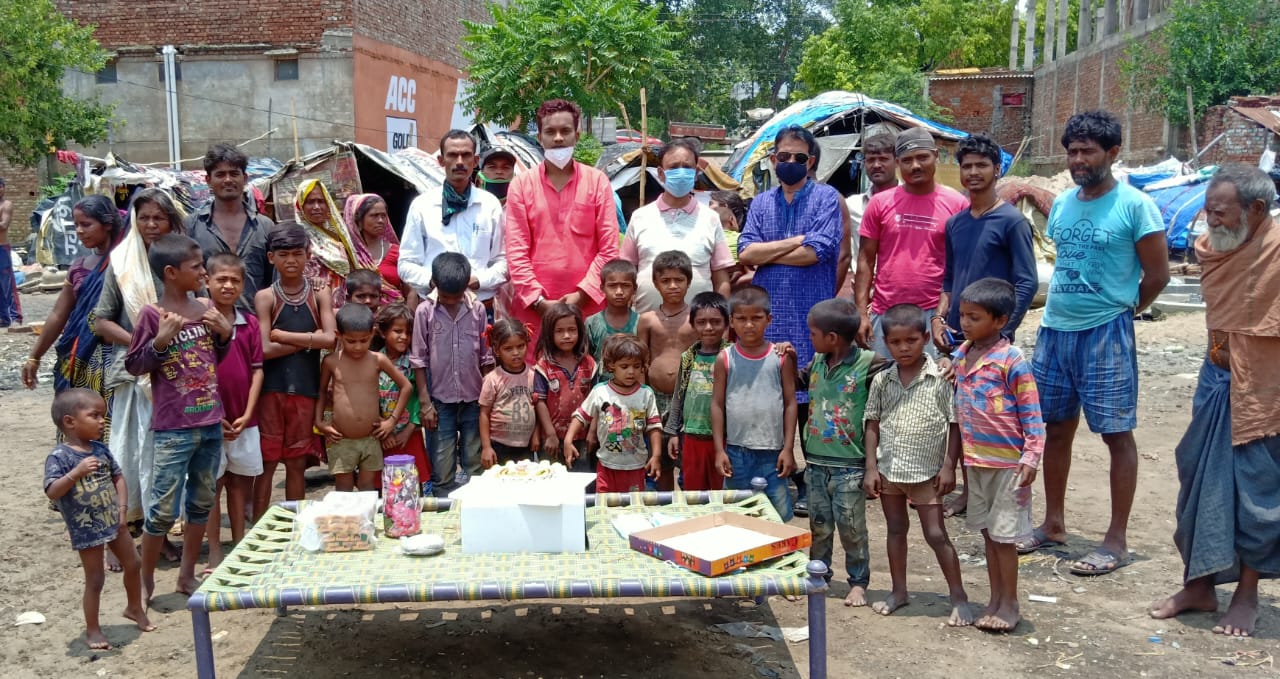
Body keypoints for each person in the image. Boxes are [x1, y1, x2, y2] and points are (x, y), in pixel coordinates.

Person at [1018, 111, 1171, 578]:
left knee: (1115, 433)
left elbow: (1159, 275)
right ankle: (1054, 523)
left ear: (1113, 153)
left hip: (1106, 331)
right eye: (1072, 151)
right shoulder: (1063, 204)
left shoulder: (1136, 206)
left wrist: (1125, 309)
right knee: (1054, 429)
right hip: (1055, 330)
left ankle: (1116, 539)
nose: (1078, 159)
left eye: (1088, 151)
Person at [1150, 164, 1280, 637]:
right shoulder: (1216, 250)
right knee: (1199, 480)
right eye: (1208, 211)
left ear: (1257, 210)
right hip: (1215, 379)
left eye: (1220, 213)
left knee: (1257, 494)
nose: (1210, 222)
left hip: (1266, 392)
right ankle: (1199, 584)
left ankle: (1247, 595)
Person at [935, 133, 1038, 518]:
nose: (974, 172)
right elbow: (949, 277)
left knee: (996, 415)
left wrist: (1004, 331)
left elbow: (1026, 281)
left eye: (982, 165)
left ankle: (1001, 491)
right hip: (960, 335)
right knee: (962, 413)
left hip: (993, 335)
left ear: (998, 170)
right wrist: (938, 317)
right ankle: (967, 491)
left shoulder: (1012, 221)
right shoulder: (956, 223)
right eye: (967, 166)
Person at [123, 233, 232, 599]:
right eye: (196, 267)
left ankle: (186, 575)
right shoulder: (153, 316)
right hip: (173, 428)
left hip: (210, 423)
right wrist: (160, 341)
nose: (203, 272)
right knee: (162, 509)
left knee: (201, 503)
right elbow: (135, 365)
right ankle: (146, 580)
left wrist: (224, 335)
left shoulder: (205, 309)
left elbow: (214, 359)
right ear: (171, 273)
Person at [863, 303, 971, 626]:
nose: (903, 348)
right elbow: (872, 423)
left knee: (936, 534)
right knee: (895, 530)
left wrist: (950, 465)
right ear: (886, 342)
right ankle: (899, 590)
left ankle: (958, 596)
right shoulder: (883, 380)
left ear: (925, 338)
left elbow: (955, 423)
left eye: (910, 340)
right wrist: (871, 467)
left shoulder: (940, 377)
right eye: (895, 342)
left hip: (926, 473)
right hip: (891, 469)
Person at [92, 188, 186, 544]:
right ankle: (131, 532)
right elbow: (101, 321)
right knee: (135, 452)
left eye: (158, 217)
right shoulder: (122, 264)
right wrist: (143, 341)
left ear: (171, 220)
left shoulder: (183, 259)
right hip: (134, 374)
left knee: (168, 455)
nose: (150, 224)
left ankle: (162, 533)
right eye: (143, 217)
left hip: (177, 372)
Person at [951, 278, 1045, 632]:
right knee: (989, 536)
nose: (965, 323)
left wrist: (1031, 457)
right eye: (962, 315)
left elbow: (1032, 414)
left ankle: (1010, 603)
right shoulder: (962, 357)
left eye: (974, 317)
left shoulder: (1012, 361)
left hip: (1007, 466)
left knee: (1005, 539)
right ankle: (994, 598)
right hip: (975, 462)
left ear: (1000, 321)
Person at [505, 99, 620, 350]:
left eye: (565, 131)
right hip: (534, 314)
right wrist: (538, 301)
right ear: (540, 137)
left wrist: (581, 295)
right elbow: (516, 251)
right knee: (534, 384)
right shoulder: (522, 186)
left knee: (587, 380)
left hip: (588, 310)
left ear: (577, 135)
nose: (558, 138)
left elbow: (609, 249)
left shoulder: (597, 182)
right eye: (550, 132)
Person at [44, 389, 154, 650]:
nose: (102, 421)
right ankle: (92, 629)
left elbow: (118, 477)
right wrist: (76, 473)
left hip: (114, 521)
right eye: (94, 415)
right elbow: (51, 490)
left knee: (134, 563)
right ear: (70, 421)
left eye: (103, 416)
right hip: (86, 529)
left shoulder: (101, 449)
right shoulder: (60, 457)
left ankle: (134, 608)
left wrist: (123, 510)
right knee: (95, 579)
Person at [737, 125, 844, 393]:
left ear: (810, 162)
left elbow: (815, 253)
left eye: (798, 158)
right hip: (771, 318)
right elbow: (746, 252)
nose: (790, 162)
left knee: (814, 407)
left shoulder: (826, 197)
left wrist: (767, 254)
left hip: (812, 314)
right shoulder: (761, 203)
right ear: (773, 160)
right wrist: (797, 239)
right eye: (784, 157)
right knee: (770, 404)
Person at [799, 298, 888, 607]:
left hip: (851, 465)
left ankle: (858, 581)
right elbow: (797, 380)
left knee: (851, 528)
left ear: (832, 338)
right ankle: (819, 575)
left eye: (813, 333)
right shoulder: (817, 362)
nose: (810, 338)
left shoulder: (868, 363)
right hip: (816, 462)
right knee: (819, 526)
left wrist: (872, 466)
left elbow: (899, 370)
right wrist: (786, 356)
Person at [855, 128, 968, 357]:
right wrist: (861, 314)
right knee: (883, 385)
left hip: (934, 316)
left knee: (933, 387)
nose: (915, 165)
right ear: (898, 163)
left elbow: (961, 267)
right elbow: (866, 259)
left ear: (936, 156)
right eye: (907, 160)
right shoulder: (879, 203)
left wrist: (945, 315)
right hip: (886, 313)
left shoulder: (957, 205)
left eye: (922, 157)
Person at [23, 197, 122, 443]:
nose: (79, 231)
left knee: (112, 425)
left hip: (115, 357)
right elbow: (59, 314)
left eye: (86, 224)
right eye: (76, 225)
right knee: (78, 420)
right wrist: (34, 356)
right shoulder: (79, 267)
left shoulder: (126, 262)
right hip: (78, 359)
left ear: (107, 224)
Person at [254, 222, 336, 517]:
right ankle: (259, 528)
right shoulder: (266, 297)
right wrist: (309, 342)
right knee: (267, 464)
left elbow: (330, 338)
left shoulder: (318, 293)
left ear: (308, 255)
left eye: (298, 253)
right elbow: (263, 349)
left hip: (305, 388)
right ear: (271, 258)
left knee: (297, 463)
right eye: (284, 254)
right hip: (271, 390)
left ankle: (296, 526)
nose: (291, 260)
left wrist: (286, 337)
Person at [712, 285, 797, 521]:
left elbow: (790, 404)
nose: (749, 325)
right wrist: (720, 450)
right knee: (737, 513)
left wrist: (788, 449)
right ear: (731, 321)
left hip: (773, 452)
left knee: (777, 516)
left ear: (768, 319)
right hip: (736, 451)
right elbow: (717, 405)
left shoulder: (779, 357)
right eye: (741, 319)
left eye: (756, 318)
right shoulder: (725, 358)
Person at [411, 252, 493, 495]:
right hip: (439, 401)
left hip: (474, 399)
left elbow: (486, 357)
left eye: (456, 296)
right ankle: (444, 508)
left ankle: (473, 507)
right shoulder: (424, 312)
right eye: (446, 297)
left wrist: (489, 398)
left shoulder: (477, 309)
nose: (450, 301)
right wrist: (425, 403)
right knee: (442, 462)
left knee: (473, 461)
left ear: (467, 284)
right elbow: (419, 360)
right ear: (434, 284)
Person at [621, 138, 733, 313]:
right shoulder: (640, 217)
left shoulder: (710, 218)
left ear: (696, 173)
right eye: (673, 167)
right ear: (661, 173)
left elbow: (721, 280)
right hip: (647, 327)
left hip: (700, 329)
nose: (681, 172)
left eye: (687, 167)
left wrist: (723, 323)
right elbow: (625, 272)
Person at [203, 253, 264, 572]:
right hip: (209, 419)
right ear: (207, 281)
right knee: (213, 487)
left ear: (243, 285)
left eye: (235, 280)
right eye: (221, 279)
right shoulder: (198, 321)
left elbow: (257, 371)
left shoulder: (249, 322)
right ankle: (214, 551)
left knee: (241, 485)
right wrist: (215, 414)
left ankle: (240, 545)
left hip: (244, 418)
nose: (228, 285)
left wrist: (247, 413)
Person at [399, 130, 507, 307]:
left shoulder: (490, 205)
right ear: (441, 161)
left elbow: (502, 262)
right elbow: (406, 264)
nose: (459, 162)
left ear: (475, 161)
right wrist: (436, 282)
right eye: (452, 155)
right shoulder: (422, 205)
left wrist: (477, 280)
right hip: (434, 306)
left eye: (466, 155)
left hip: (479, 306)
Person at [315, 304, 412, 492]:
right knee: (343, 487)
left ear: (372, 333)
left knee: (368, 486)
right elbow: (321, 392)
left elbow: (406, 387)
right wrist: (319, 422)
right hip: (340, 438)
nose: (358, 347)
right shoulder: (331, 361)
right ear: (339, 335)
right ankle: (346, 522)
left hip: (371, 438)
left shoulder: (378, 360)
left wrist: (391, 422)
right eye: (351, 341)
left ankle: (367, 522)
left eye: (364, 340)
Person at [565, 334, 663, 493]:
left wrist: (656, 455)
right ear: (611, 366)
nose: (631, 372)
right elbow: (581, 416)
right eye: (624, 367)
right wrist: (568, 440)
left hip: (635, 467)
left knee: (633, 508)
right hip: (606, 466)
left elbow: (654, 426)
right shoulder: (600, 391)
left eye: (636, 366)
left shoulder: (646, 394)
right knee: (605, 507)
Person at [637, 250, 698, 490]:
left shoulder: (697, 317)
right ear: (655, 283)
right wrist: (642, 396)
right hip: (656, 399)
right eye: (665, 280)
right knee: (660, 458)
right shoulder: (647, 319)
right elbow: (641, 359)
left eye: (679, 280)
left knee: (686, 457)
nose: (673, 286)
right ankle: (665, 510)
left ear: (689, 282)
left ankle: (688, 513)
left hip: (688, 399)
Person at [187, 144, 274, 310]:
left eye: (234, 173)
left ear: (245, 178)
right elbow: (186, 279)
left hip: (254, 327)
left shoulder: (265, 227)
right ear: (208, 180)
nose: (228, 179)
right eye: (220, 174)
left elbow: (274, 281)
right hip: (207, 324)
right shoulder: (192, 225)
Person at [664, 292, 730, 491]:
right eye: (701, 322)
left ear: (727, 323)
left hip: (723, 437)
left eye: (715, 322)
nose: (708, 328)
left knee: (721, 490)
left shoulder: (731, 355)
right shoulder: (688, 357)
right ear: (693, 324)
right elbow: (678, 396)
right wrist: (673, 431)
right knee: (693, 492)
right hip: (692, 435)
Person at [533, 303, 597, 467]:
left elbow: (597, 400)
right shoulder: (544, 366)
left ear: (580, 331)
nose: (567, 335)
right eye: (559, 331)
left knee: (580, 482)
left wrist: (592, 431)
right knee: (552, 483)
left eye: (572, 330)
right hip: (552, 439)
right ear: (549, 334)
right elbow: (539, 401)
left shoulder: (589, 364)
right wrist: (550, 434)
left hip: (581, 437)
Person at [376, 302, 429, 492]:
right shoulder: (374, 361)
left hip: (409, 434)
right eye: (397, 331)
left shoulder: (413, 363)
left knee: (411, 484)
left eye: (408, 332)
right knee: (385, 486)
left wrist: (410, 428)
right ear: (383, 332)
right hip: (382, 434)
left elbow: (418, 397)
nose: (404, 337)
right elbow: (368, 398)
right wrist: (384, 428)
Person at [480, 319, 538, 466]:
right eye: (508, 348)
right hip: (499, 444)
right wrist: (487, 447)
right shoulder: (492, 379)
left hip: (526, 445)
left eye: (520, 346)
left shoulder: (534, 376)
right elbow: (484, 414)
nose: (516, 353)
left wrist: (536, 435)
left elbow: (539, 407)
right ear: (497, 350)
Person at [293, 179, 358, 305]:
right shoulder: (296, 238)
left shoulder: (337, 237)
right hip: (312, 303)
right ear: (300, 205)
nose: (316, 207)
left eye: (321, 201)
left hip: (343, 305)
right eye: (310, 202)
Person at [844, 134, 899, 283]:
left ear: (897, 162)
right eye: (870, 160)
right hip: (862, 288)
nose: (876, 165)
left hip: (897, 290)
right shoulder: (852, 205)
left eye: (883, 159)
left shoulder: (910, 202)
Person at [342, 193, 403, 305]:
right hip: (357, 319)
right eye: (374, 215)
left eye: (383, 216)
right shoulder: (347, 253)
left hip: (393, 317)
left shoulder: (397, 252)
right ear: (359, 220)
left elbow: (411, 292)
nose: (380, 220)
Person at [586, 259, 640, 379]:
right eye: (612, 286)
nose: (619, 292)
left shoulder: (641, 322)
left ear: (635, 288)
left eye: (625, 286)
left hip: (634, 391)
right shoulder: (592, 323)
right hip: (601, 392)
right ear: (602, 288)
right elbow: (586, 362)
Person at [0, 176, 22, 326]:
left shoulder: (6, 205)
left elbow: (3, 225)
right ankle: (3, 318)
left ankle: (15, 317)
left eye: (1, 186)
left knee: (6, 284)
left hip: (1, 248)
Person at [708, 190, 746, 264]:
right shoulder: (744, 241)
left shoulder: (705, 239)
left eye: (711, 204)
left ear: (725, 206)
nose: (708, 208)